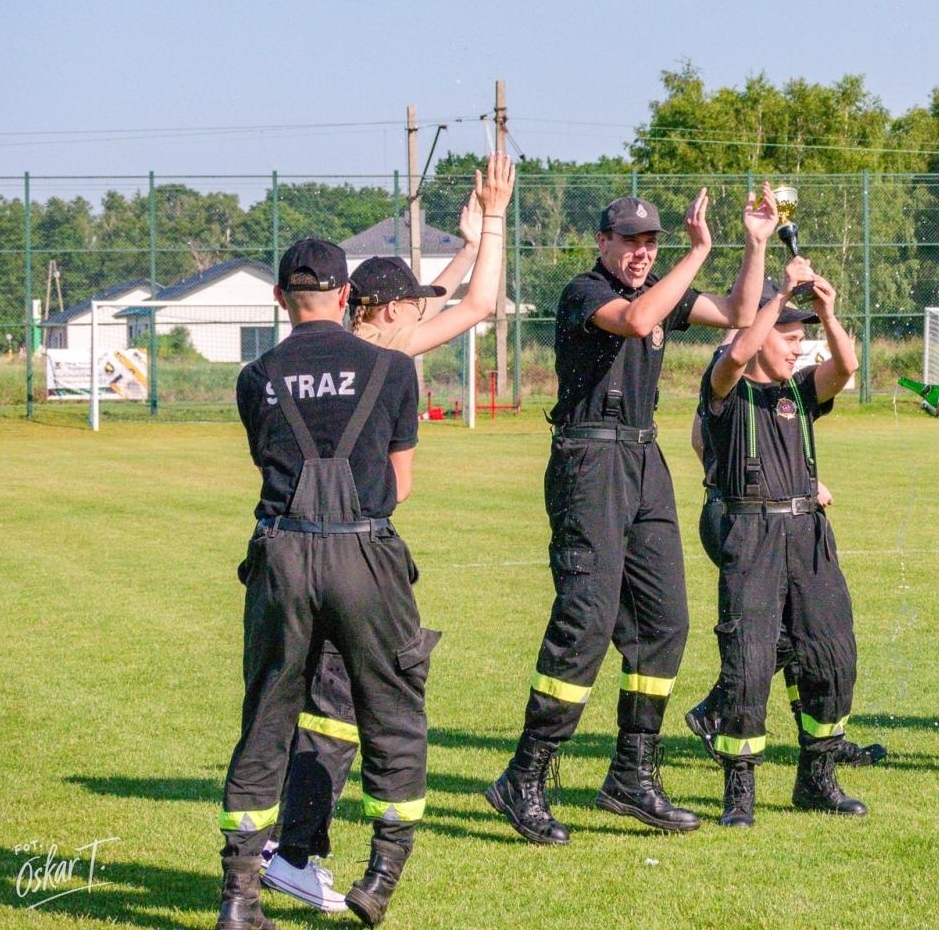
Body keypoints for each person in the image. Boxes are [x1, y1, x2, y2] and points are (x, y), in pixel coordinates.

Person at [261, 155, 515, 913]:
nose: (425, 316)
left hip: (304, 547)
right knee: (360, 702)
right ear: (382, 309)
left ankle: (293, 845)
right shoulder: (384, 355)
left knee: (322, 700)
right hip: (357, 549)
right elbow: (479, 306)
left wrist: (466, 244)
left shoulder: (353, 341)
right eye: (414, 306)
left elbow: (449, 293)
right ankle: (297, 849)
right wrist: (494, 223)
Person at [487, 185, 777, 844]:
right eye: (631, 242)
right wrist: (698, 250)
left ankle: (631, 774)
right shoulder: (585, 294)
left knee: (666, 622)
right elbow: (640, 319)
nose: (643, 252)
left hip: (645, 461)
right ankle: (523, 777)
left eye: (651, 242)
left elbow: (737, 310)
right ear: (603, 243)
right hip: (590, 461)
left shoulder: (656, 289)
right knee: (585, 622)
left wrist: (754, 243)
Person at [221, 238, 433, 930]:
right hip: (365, 554)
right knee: (391, 712)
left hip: (283, 555)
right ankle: (380, 878)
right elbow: (398, 483)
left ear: (281, 299)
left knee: (267, 718)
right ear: (346, 297)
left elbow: (267, 459)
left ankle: (240, 899)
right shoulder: (393, 369)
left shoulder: (257, 377)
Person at [685, 264, 867, 826]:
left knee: (832, 658)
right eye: (791, 338)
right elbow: (736, 357)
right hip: (751, 532)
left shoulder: (800, 389)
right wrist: (780, 293)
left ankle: (817, 778)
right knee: (749, 664)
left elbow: (847, 366)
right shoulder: (727, 385)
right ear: (761, 334)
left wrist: (830, 314)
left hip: (808, 533)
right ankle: (739, 794)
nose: (800, 348)